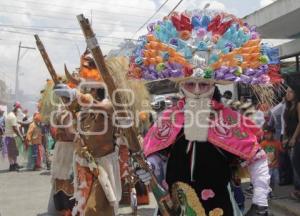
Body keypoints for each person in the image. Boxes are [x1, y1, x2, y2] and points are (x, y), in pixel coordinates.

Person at [283, 84, 300, 200]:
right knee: (293, 163)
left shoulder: (298, 105)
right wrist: (285, 137)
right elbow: (285, 123)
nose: (287, 94)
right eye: (287, 92)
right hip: (289, 138)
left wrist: (294, 138)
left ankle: (298, 190)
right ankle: (297, 189)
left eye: (290, 92)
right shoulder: (287, 106)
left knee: (296, 163)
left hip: (297, 138)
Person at [260, 127, 283, 197]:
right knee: (268, 180)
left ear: (273, 134)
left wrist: (284, 146)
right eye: (265, 134)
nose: (266, 135)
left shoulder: (277, 143)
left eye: (268, 134)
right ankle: (268, 192)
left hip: (275, 165)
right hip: (267, 166)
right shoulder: (263, 143)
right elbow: (260, 153)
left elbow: (282, 150)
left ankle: (271, 191)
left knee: (275, 180)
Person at [4, 102, 24, 171]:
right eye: (18, 111)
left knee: (14, 152)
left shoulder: (10, 115)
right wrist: (21, 136)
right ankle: (12, 165)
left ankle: (15, 164)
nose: (19, 113)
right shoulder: (12, 117)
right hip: (11, 137)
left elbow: (17, 123)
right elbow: (15, 129)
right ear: (16, 110)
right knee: (11, 152)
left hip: (11, 136)